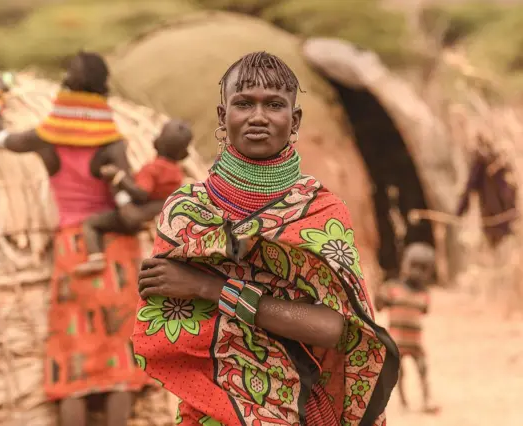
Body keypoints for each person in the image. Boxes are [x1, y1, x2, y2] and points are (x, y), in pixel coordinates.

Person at [132, 52, 399, 426]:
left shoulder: (320, 212)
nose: (258, 117)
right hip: (213, 411)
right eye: (244, 103)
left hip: (303, 412)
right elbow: (170, 327)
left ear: (295, 120)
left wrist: (211, 288)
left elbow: (335, 329)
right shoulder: (186, 210)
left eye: (274, 104)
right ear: (224, 117)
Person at [0, 51, 160, 426]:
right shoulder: (111, 142)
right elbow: (126, 204)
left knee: (71, 355)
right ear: (103, 89)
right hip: (116, 254)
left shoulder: (45, 136)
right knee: (120, 356)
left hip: (72, 250)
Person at [75, 119, 192, 275]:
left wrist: (118, 177)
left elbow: (141, 193)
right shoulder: (177, 173)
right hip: (147, 216)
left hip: (130, 215)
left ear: (156, 141)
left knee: (91, 223)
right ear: (184, 154)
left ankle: (95, 258)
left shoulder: (153, 169)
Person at [375, 243, 439, 415]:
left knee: (423, 369)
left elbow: (425, 310)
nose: (417, 272)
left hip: (415, 342)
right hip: (396, 342)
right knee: (400, 374)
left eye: (423, 268)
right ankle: (404, 402)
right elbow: (379, 305)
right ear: (405, 264)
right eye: (414, 266)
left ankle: (427, 399)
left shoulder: (424, 294)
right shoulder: (393, 289)